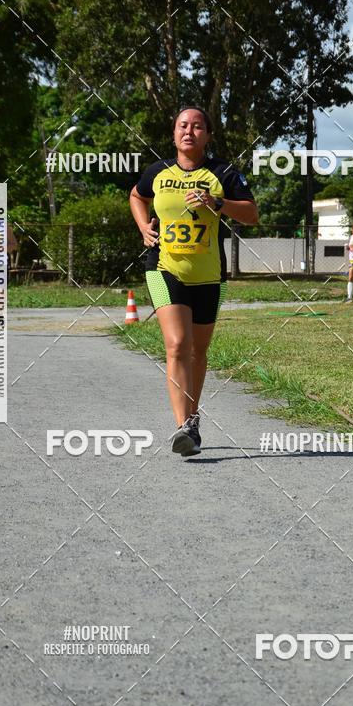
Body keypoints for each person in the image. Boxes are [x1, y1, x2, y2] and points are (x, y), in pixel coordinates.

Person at [130, 106, 258, 456]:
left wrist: (216, 203)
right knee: (177, 344)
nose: (189, 131)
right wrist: (143, 225)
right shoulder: (156, 172)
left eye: (198, 126)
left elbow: (251, 213)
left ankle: (192, 418)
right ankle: (182, 426)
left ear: (208, 135)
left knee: (198, 351)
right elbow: (137, 196)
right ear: (173, 134)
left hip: (209, 276)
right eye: (183, 126)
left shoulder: (223, 173)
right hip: (161, 269)